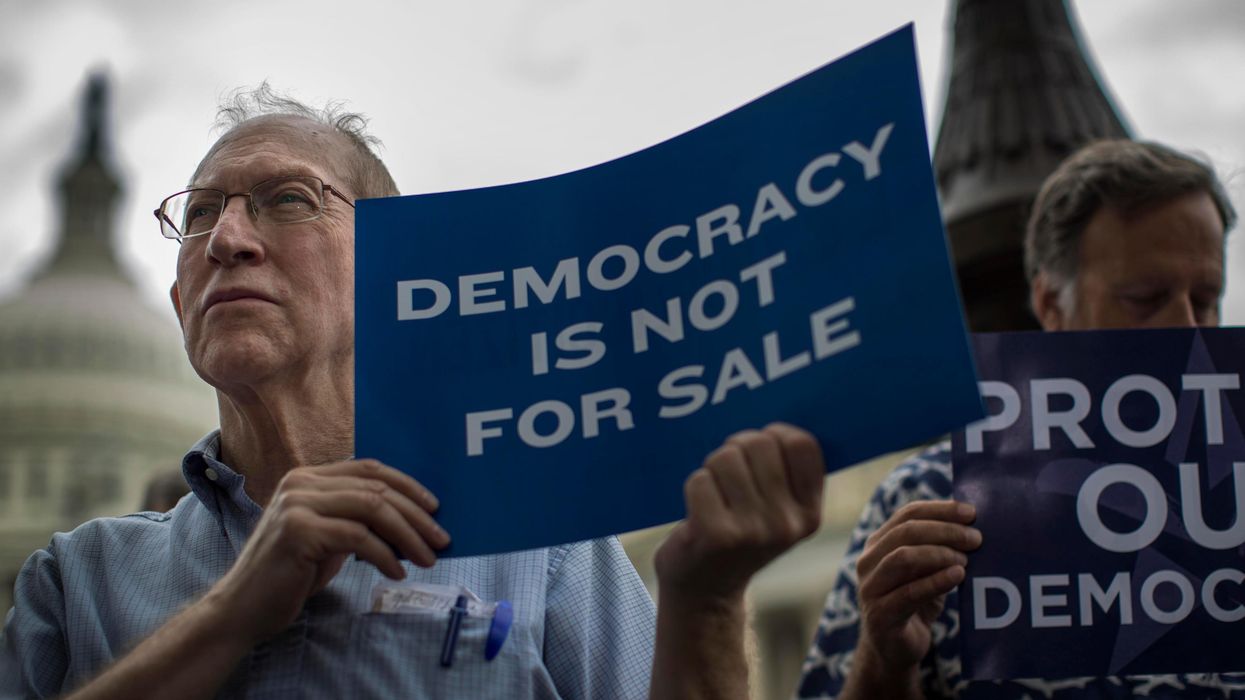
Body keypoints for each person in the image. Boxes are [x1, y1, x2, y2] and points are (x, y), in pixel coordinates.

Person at [0, 86, 825, 699]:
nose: (228, 239)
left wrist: (706, 603)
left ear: (397, 279)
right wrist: (233, 612)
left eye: (288, 200)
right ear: (183, 305)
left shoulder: (543, 551)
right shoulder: (77, 583)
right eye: (201, 213)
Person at [797, 139, 1242, 699]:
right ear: (1051, 303)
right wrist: (885, 658)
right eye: (1145, 297)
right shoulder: (927, 498)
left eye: (1206, 298)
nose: (1187, 328)